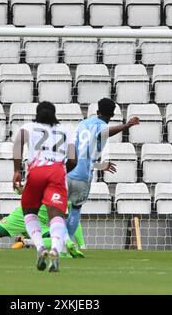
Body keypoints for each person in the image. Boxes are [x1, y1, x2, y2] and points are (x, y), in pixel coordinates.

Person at [13, 101, 77, 272]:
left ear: (37, 113)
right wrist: (62, 170)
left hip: (36, 171)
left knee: (29, 212)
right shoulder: (66, 131)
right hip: (57, 172)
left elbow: (18, 143)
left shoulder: (28, 127)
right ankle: (55, 249)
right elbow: (73, 160)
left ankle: (40, 247)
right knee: (57, 215)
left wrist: (16, 170)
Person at [65, 98, 139, 240]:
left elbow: (80, 153)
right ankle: (65, 242)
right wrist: (126, 125)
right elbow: (103, 133)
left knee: (59, 209)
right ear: (112, 115)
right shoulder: (101, 126)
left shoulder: (82, 124)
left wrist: (99, 165)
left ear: (97, 111)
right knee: (75, 208)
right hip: (82, 176)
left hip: (66, 172)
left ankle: (53, 240)